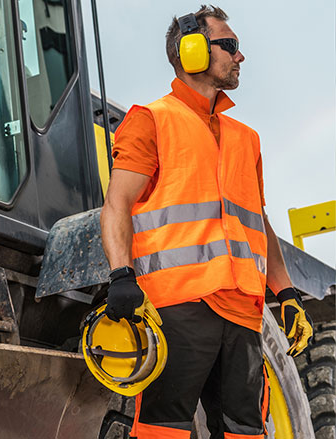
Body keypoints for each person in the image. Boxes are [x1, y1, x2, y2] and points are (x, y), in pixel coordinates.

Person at [99, 5, 314, 438]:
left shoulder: (246, 139)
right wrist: (122, 276)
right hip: (177, 309)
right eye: (230, 46)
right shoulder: (152, 119)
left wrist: (287, 294)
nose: (240, 57)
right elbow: (117, 203)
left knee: (245, 431)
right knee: (164, 430)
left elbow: (259, 223)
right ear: (192, 51)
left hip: (243, 315)